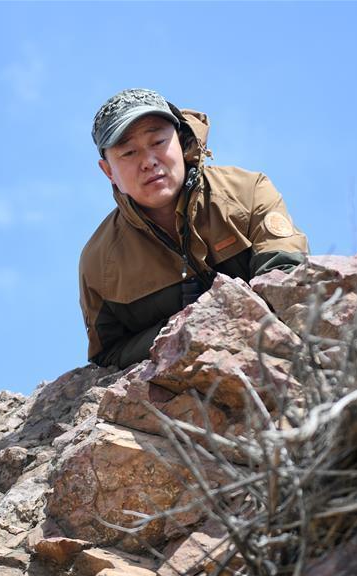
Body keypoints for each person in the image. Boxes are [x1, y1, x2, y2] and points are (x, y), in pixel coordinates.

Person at [80, 88, 309, 368]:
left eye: (158, 141)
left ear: (181, 140)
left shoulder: (248, 192)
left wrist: (224, 315)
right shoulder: (99, 263)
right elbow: (108, 356)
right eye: (129, 152)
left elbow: (288, 278)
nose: (149, 161)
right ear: (108, 171)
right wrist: (178, 331)